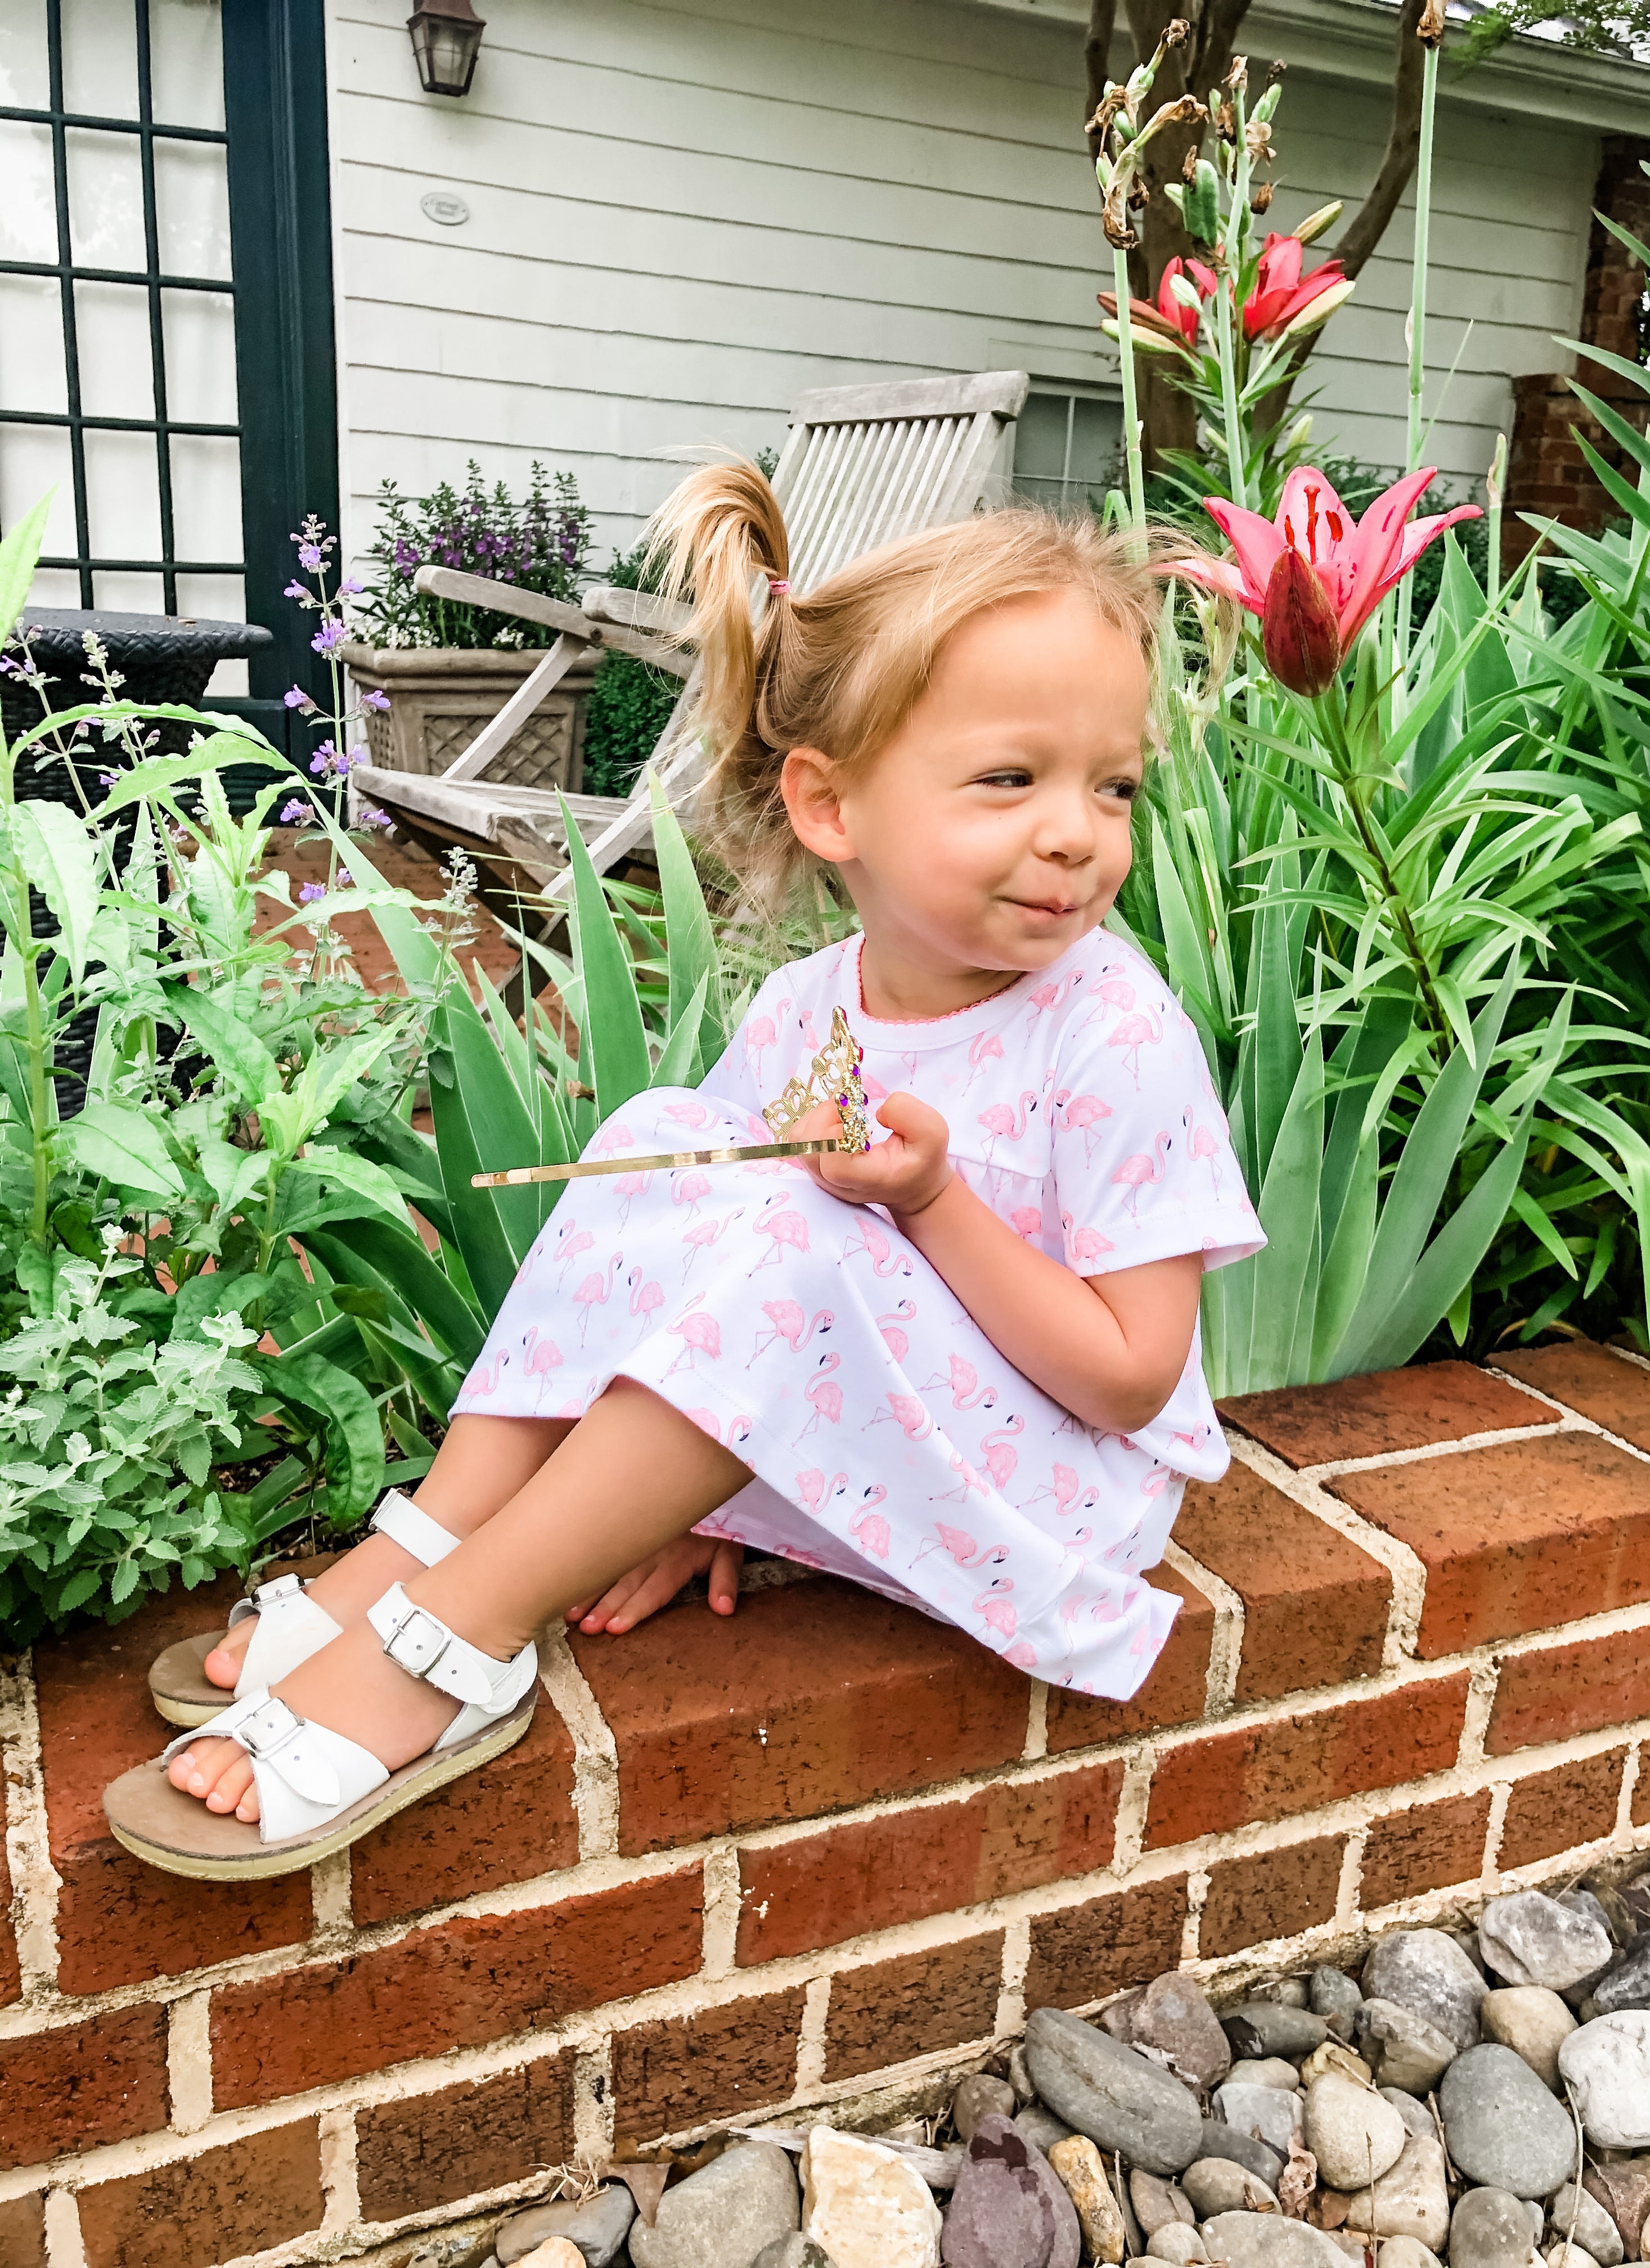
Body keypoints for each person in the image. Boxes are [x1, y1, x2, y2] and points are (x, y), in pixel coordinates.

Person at [105, 467, 1264, 1880]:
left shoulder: (1111, 1030)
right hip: (895, 1435)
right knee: (658, 1137)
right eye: (1011, 779)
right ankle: (422, 1550)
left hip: (1055, 1492)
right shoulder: (803, 1014)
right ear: (832, 807)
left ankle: (453, 1638)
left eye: (1114, 784)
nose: (1077, 832)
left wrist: (933, 1202)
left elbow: (1133, 1375)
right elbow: (686, 1282)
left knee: (802, 1239)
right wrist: (711, 1494)